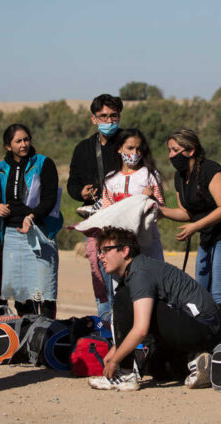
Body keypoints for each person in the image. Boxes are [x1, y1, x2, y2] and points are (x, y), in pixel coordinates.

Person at [87, 227, 221, 391]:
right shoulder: (136, 270)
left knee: (124, 298)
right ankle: (200, 362)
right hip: (197, 329)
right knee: (157, 369)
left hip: (202, 327)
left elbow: (140, 329)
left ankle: (125, 374)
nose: (101, 256)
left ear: (125, 251)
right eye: (99, 251)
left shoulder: (139, 273)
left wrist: (116, 360)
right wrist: (117, 348)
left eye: (106, 250)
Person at [160, 128, 221, 340]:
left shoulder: (211, 170)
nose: (171, 155)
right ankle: (211, 343)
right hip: (209, 237)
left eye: (175, 150)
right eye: (169, 150)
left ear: (191, 150)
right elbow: (185, 212)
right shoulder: (179, 177)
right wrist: (160, 210)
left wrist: (195, 226)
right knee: (200, 295)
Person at [0, 124, 61, 318]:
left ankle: (45, 336)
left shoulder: (44, 163)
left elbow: (49, 198)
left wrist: (31, 217)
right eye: (18, 141)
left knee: (44, 291)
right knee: (21, 293)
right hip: (12, 234)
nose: (24, 144)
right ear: (8, 146)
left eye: (26, 139)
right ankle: (26, 336)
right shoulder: (0, 168)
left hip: (40, 231)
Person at [67, 94, 124, 321]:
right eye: (103, 116)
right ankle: (106, 325)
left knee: (123, 273)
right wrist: (81, 192)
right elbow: (72, 183)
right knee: (99, 270)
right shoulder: (83, 149)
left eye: (113, 116)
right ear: (93, 119)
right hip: (95, 220)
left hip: (123, 220)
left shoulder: (129, 143)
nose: (108, 121)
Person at [101, 128, 165, 260]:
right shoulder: (110, 179)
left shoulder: (150, 175)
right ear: (119, 149)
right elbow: (106, 212)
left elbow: (161, 211)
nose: (134, 153)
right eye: (130, 148)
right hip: (119, 245)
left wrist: (152, 199)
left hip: (147, 244)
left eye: (139, 149)